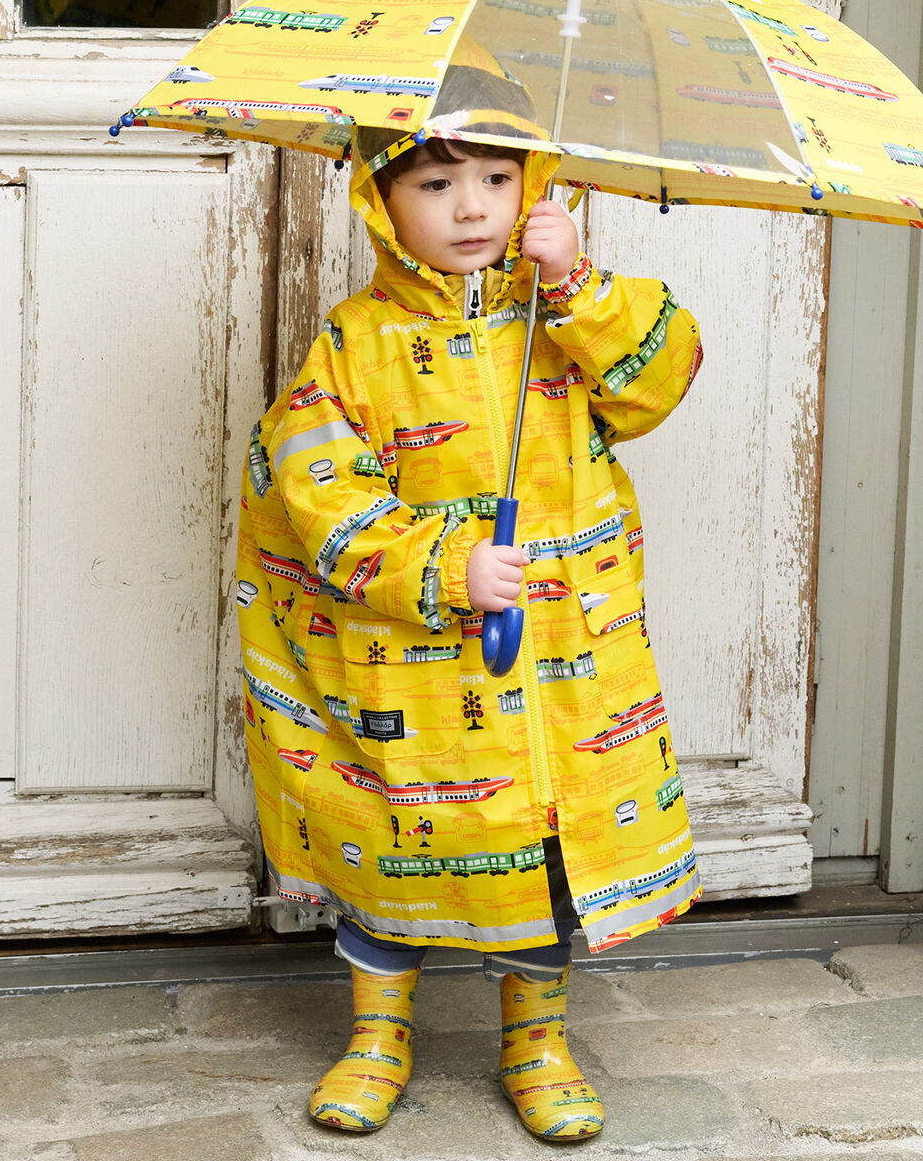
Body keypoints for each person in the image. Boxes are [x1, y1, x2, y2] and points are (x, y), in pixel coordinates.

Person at [236, 112, 704, 1140]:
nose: (472, 206)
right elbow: (309, 484)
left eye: (497, 177)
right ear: (379, 200)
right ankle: (376, 1033)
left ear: (535, 185)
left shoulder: (564, 315)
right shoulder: (355, 343)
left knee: (539, 846)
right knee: (385, 836)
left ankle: (536, 1040)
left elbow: (659, 377)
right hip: (409, 665)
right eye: (437, 183)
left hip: (552, 663)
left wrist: (579, 285)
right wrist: (444, 562)